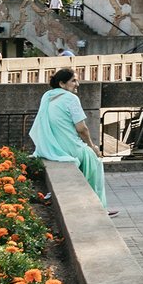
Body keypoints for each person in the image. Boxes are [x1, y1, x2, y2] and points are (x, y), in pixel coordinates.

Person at [29, 68, 115, 216]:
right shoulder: (71, 98)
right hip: (70, 148)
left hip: (51, 147)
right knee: (95, 161)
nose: (78, 84)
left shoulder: (47, 96)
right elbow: (81, 128)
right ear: (62, 84)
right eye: (73, 80)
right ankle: (99, 209)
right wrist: (92, 146)